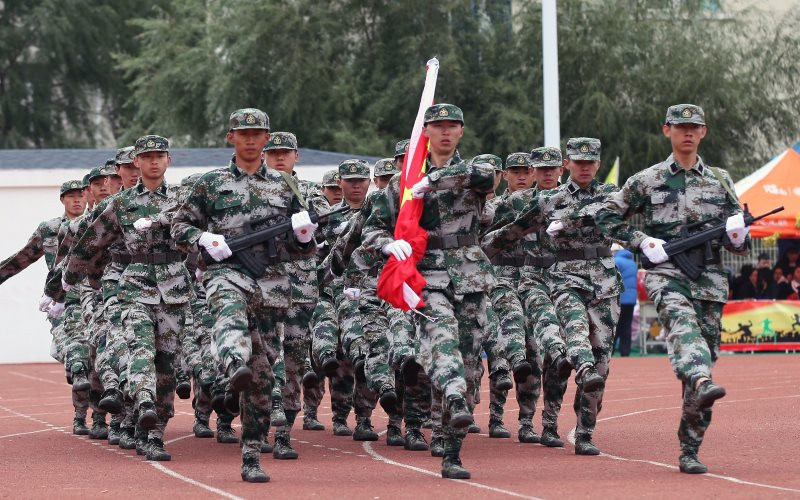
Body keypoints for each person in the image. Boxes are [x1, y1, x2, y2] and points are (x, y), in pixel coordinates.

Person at [594, 103, 749, 474]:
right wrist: (640, 240)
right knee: (683, 331)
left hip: (709, 281)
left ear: (704, 132)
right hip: (665, 274)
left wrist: (740, 237)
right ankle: (699, 377)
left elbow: (736, 235)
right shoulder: (647, 180)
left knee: (703, 358)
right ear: (667, 131)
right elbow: (604, 215)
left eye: (695, 127)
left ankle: (690, 447)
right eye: (681, 127)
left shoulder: (720, 179)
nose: (688, 133)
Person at [172, 109, 318, 482]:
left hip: (271, 285)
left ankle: (251, 454)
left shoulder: (287, 187)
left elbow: (302, 249)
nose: (251, 139)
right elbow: (179, 226)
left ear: (267, 139)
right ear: (230, 137)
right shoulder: (211, 183)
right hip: (226, 273)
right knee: (228, 313)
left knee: (263, 378)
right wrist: (203, 238)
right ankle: (232, 361)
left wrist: (304, 236)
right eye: (243, 133)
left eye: (257, 133)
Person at [362, 103, 496, 479]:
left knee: (470, 367)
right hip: (426, 277)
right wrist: (387, 245)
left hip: (471, 278)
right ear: (426, 133)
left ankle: (450, 447)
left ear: (461, 132)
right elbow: (372, 228)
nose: (446, 132)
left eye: (453, 126)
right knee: (442, 343)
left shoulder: (472, 174)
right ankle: (451, 399)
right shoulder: (400, 185)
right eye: (438, 127)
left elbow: (484, 175)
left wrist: (433, 181)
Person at [62, 135, 190, 461]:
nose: (153, 162)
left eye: (159, 156)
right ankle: (143, 399)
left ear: (168, 160)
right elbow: (90, 243)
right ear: (136, 162)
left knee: (167, 364)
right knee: (140, 347)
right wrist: (63, 283)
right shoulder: (121, 204)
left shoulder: (184, 198)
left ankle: (154, 433)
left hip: (175, 286)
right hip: (135, 284)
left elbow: (210, 232)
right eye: (146, 157)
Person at [613, 244, 637, 356]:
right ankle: (625, 352)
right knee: (627, 326)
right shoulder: (632, 263)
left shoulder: (616, 261)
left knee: (615, 326)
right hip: (631, 299)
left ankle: (610, 351)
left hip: (620, 299)